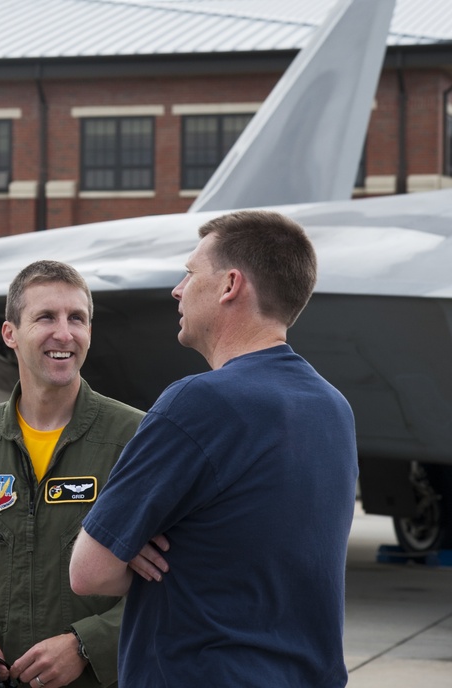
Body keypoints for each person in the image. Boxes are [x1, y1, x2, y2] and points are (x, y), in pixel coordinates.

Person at [70, 210, 359, 686]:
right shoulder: (333, 408)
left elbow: (90, 572)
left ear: (229, 285)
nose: (177, 290)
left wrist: (128, 544)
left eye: (189, 273)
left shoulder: (200, 400)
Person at [0, 260, 145, 688]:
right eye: (46, 317)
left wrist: (87, 645)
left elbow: (177, 578)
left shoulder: (136, 440)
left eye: (76, 318)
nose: (64, 333)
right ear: (10, 333)